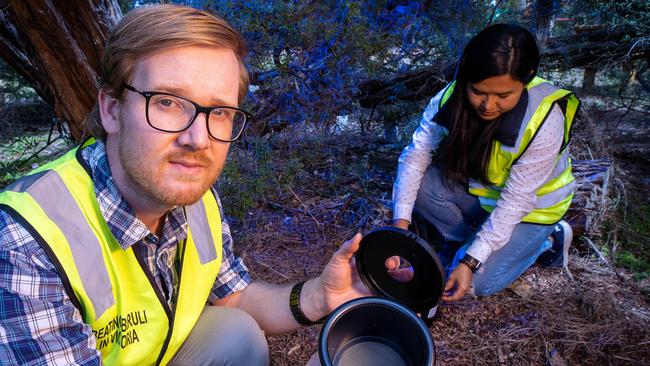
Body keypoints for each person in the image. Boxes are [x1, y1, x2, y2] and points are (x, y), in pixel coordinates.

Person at [0, 5, 368, 365]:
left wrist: (320, 295)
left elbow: (233, 297)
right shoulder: (24, 244)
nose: (197, 139)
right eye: (168, 102)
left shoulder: (198, 199)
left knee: (234, 332)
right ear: (112, 110)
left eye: (219, 112)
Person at [391, 24, 580, 303]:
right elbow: (415, 157)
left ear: (526, 78)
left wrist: (469, 263)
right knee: (420, 186)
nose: (488, 105)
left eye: (503, 96)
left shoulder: (545, 121)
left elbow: (516, 201)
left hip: (532, 211)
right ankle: (476, 242)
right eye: (478, 92)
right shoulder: (449, 98)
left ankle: (547, 240)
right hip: (484, 197)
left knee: (476, 284)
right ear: (466, 77)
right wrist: (399, 227)